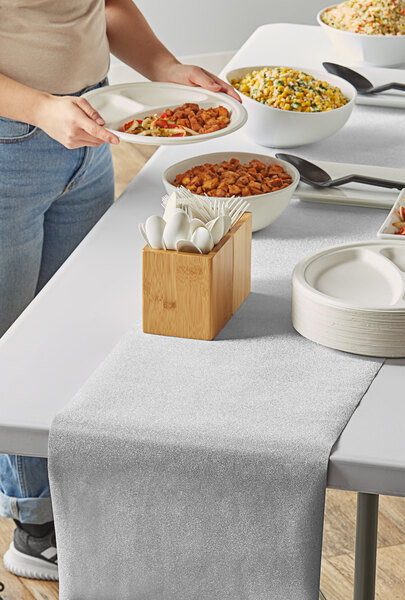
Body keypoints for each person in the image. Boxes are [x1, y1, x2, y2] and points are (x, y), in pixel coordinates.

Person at [0, 0, 240, 581]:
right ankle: (36, 523)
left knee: (75, 331)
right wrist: (40, 109)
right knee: (14, 343)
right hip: (12, 146)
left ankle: (78, 498)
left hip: (88, 129)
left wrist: (164, 66)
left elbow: (107, 7)